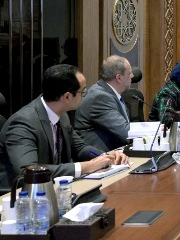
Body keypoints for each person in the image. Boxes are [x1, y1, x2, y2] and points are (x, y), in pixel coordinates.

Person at [0, 64, 128, 189]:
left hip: (53, 187)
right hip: (17, 194)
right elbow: (28, 172)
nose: (84, 95)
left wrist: (106, 156)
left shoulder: (61, 115)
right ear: (67, 96)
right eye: (83, 91)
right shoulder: (23, 123)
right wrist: (86, 167)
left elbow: (80, 148)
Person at [73, 55, 135, 151]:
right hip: (98, 156)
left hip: (114, 154)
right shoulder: (100, 97)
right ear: (119, 78)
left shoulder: (109, 93)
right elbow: (126, 133)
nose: (132, 76)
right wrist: (153, 131)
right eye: (129, 73)